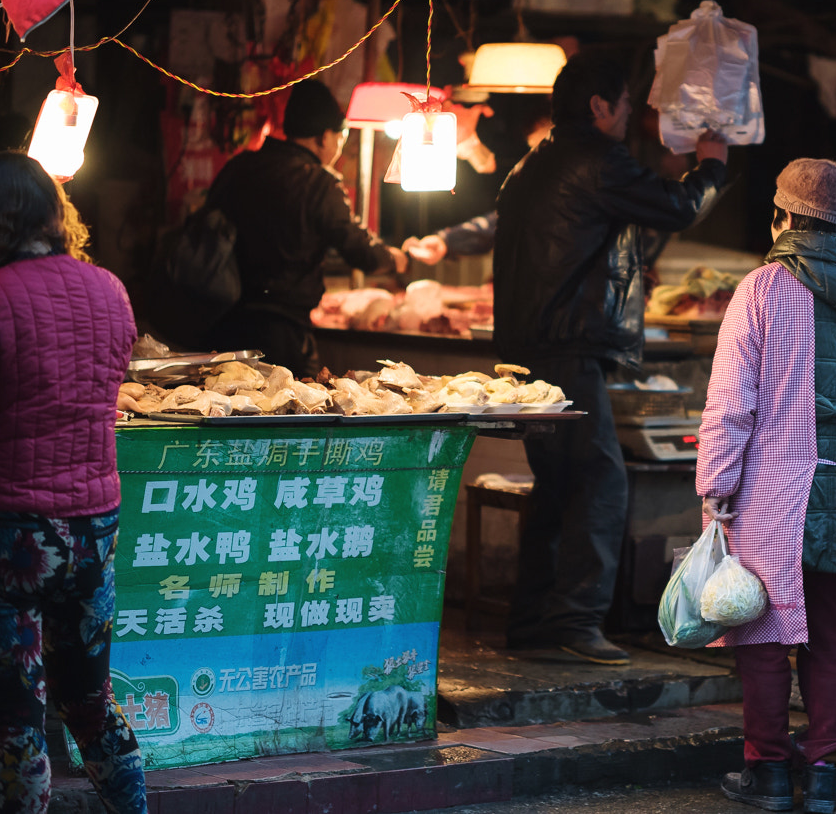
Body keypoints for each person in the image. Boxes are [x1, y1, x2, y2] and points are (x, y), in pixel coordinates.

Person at [495, 49, 728, 666]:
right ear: (599, 106)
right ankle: (575, 621)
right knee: (600, 479)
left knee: (558, 484)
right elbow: (677, 206)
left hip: (531, 349)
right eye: (624, 104)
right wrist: (712, 168)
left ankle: (533, 622)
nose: (629, 115)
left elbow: (590, 239)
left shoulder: (531, 166)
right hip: (569, 348)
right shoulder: (596, 160)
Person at [698, 160, 836, 814]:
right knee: (832, 636)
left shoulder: (764, 288)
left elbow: (732, 402)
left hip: (773, 493)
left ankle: (766, 774)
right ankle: (822, 774)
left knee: (759, 633)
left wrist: (715, 485)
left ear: (784, 216)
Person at [0, 154, 147, 814]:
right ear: (53, 216)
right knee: (89, 701)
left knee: (15, 717)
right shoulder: (111, 292)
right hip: (91, 530)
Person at [203, 79, 407, 375]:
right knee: (292, 411)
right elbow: (361, 252)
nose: (338, 146)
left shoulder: (239, 167)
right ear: (325, 137)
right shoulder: (319, 183)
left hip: (221, 324)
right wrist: (398, 258)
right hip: (282, 332)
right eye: (341, 136)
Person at [402, 116, 555, 265]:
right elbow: (501, 223)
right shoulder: (540, 192)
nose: (540, 161)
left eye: (547, 148)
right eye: (536, 151)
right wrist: (445, 240)